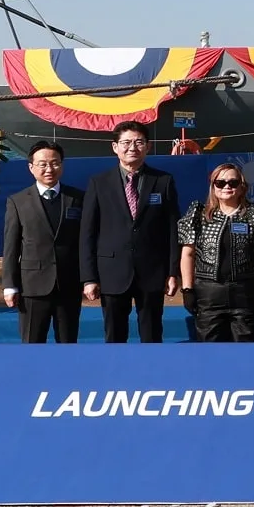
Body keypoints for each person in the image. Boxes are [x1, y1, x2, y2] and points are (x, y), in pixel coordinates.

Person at [80, 121, 181, 343]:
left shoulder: (163, 181)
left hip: (152, 272)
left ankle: (151, 375)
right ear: (115, 147)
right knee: (114, 334)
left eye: (138, 142)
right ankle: (117, 375)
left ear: (148, 146)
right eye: (125, 142)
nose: (132, 147)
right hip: (112, 273)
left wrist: (173, 272)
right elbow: (87, 233)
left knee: (152, 333)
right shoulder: (99, 183)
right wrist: (89, 278)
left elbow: (172, 229)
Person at [177, 163, 254, 341]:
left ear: (242, 186)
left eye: (233, 182)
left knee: (246, 349)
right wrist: (187, 289)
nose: (227, 187)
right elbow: (187, 254)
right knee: (209, 349)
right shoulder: (198, 214)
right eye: (220, 183)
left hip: (246, 292)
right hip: (209, 293)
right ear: (213, 186)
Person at [1, 139, 84, 343]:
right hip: (32, 287)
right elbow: (11, 247)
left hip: (69, 285)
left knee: (68, 343)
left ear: (62, 165)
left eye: (55, 163)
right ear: (31, 167)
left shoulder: (79, 198)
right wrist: (10, 285)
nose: (49, 168)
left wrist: (89, 279)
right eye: (42, 164)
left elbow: (86, 242)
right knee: (32, 343)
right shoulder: (18, 201)